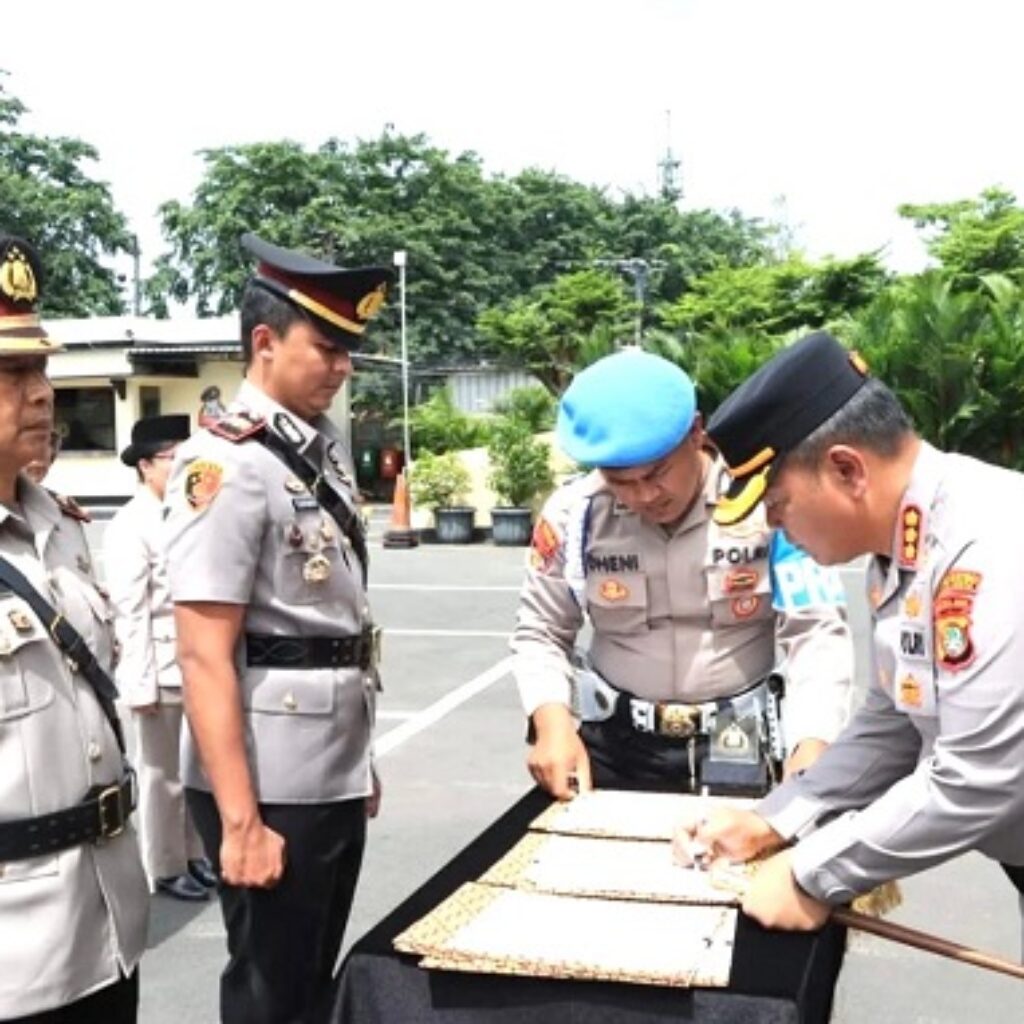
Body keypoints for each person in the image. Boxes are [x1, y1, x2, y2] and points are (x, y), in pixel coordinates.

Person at [675, 330, 1024, 952]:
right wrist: (771, 821)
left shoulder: (990, 546)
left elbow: (979, 777)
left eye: (776, 503)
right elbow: (895, 722)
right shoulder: (901, 552)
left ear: (845, 469)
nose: (772, 525)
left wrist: (811, 874)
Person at [164, 233, 392, 1024]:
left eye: (347, 350)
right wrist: (240, 821)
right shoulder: (226, 464)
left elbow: (332, 629)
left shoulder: (318, 452)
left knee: (308, 985)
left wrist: (357, 761)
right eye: (325, 347)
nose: (342, 367)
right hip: (267, 780)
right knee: (271, 992)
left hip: (325, 766)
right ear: (265, 342)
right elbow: (203, 652)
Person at [511, 348, 854, 801]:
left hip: (737, 736)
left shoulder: (764, 501)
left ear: (695, 432)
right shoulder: (574, 516)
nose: (644, 496)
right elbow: (541, 631)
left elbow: (816, 633)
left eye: (658, 473)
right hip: (615, 742)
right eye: (620, 480)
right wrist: (551, 723)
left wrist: (813, 744)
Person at [0, 234, 147, 1020]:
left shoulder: (60, 528)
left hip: (107, 926)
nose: (40, 394)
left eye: (40, 369)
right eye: (10, 373)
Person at [106, 414, 217, 902]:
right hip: (161, 666)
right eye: (174, 458)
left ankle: (194, 854)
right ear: (146, 465)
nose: (184, 467)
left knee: (197, 771)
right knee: (161, 776)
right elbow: (129, 610)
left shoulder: (190, 510)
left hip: (199, 662)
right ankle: (166, 865)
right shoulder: (131, 524)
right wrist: (139, 683)